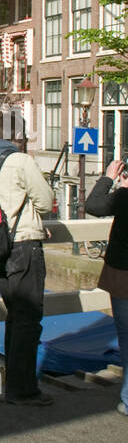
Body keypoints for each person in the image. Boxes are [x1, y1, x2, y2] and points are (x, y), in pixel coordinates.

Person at [0, 137, 55, 406]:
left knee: (15, 316)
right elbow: (45, 201)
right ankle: (23, 390)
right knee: (28, 318)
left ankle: (13, 384)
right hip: (23, 247)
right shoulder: (21, 161)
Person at [85, 158, 128, 416]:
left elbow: (93, 204)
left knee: (126, 333)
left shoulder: (123, 198)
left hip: (123, 275)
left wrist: (110, 178)